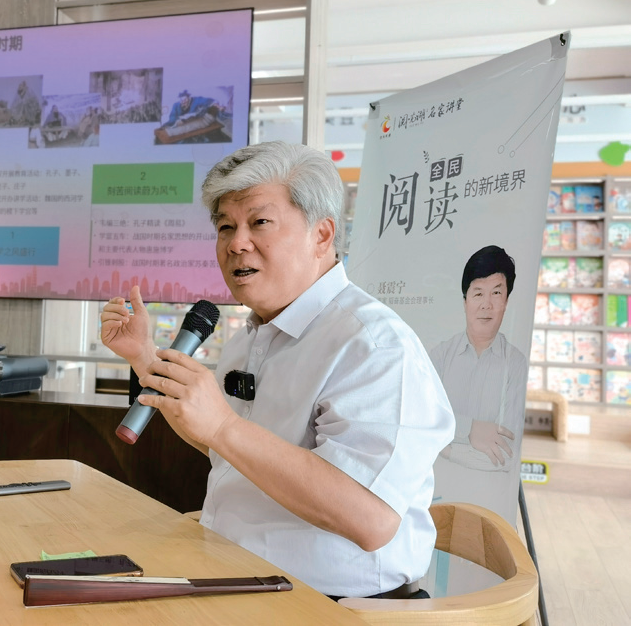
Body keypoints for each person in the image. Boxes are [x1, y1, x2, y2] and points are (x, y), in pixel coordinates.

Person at [100, 141, 454, 599]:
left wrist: (224, 426)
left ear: (321, 235)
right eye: (225, 227)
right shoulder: (253, 334)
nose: (236, 243)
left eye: (259, 223)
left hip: (334, 606)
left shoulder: (374, 346)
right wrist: (146, 360)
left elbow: (370, 519)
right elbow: (226, 444)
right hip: (231, 579)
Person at [429, 246, 528, 472]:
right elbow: (420, 424)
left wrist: (448, 450)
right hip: (437, 481)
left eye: (496, 293)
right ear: (465, 302)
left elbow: (506, 457)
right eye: (478, 293)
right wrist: (471, 429)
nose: (486, 304)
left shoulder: (516, 363)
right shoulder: (440, 356)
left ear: (506, 301)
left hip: (490, 488)